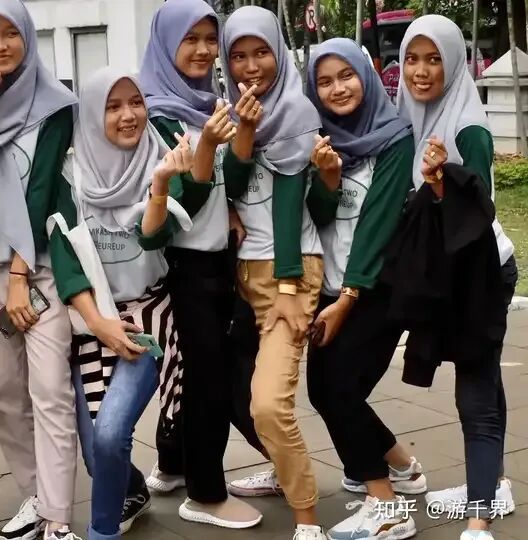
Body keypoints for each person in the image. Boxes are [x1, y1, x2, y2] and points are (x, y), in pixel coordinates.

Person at [0, 1, 125, 538]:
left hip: (40, 269)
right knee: (3, 393)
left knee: (49, 390)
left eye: (10, 33)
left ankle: (58, 520)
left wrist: (21, 276)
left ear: (27, 36)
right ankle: (35, 495)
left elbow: (42, 192)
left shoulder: (55, 103)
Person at [138, 0, 262, 528]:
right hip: (181, 264)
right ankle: (206, 494)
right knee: (207, 378)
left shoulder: (210, 104)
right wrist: (209, 144)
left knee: (198, 372)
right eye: (190, 39)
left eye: (211, 39)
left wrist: (241, 134)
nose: (204, 50)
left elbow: (229, 185)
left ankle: (173, 465)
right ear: (166, 44)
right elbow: (178, 200)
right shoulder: (154, 115)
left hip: (217, 257)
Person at [393, 15, 517, 540]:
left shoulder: (468, 128)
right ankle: (496, 485)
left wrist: (443, 185)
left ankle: (478, 520)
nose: (420, 72)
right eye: (411, 59)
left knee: (474, 394)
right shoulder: (408, 115)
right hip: (445, 275)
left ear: (454, 64)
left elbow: (479, 210)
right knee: (485, 377)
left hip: (479, 275)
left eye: (434, 59)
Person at [67, 67, 199, 540]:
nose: (129, 115)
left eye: (136, 102)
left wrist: (160, 185)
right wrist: (98, 322)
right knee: (93, 448)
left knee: (109, 434)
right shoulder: (70, 173)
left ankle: (102, 531)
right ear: (91, 114)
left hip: (147, 318)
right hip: (90, 320)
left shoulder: (163, 159)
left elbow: (153, 238)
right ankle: (133, 490)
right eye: (113, 106)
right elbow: (63, 257)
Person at [303, 37, 426, 540]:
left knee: (339, 389)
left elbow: (379, 223)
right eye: (324, 81)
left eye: (346, 76)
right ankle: (401, 466)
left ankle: (386, 506)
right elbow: (316, 215)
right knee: (325, 389)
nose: (337, 89)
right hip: (332, 286)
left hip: (375, 289)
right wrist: (328, 179)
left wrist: (349, 298)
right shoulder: (318, 139)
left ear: (366, 76)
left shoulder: (394, 137)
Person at [219, 6, 326, 539]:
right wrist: (243, 128)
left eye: (261, 52)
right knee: (235, 387)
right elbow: (234, 182)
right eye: (238, 55)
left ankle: (307, 521)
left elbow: (288, 204)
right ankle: (285, 473)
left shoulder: (296, 112)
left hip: (290, 271)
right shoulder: (236, 111)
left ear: (279, 53)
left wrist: (286, 287)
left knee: (267, 403)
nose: (250, 65)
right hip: (247, 272)